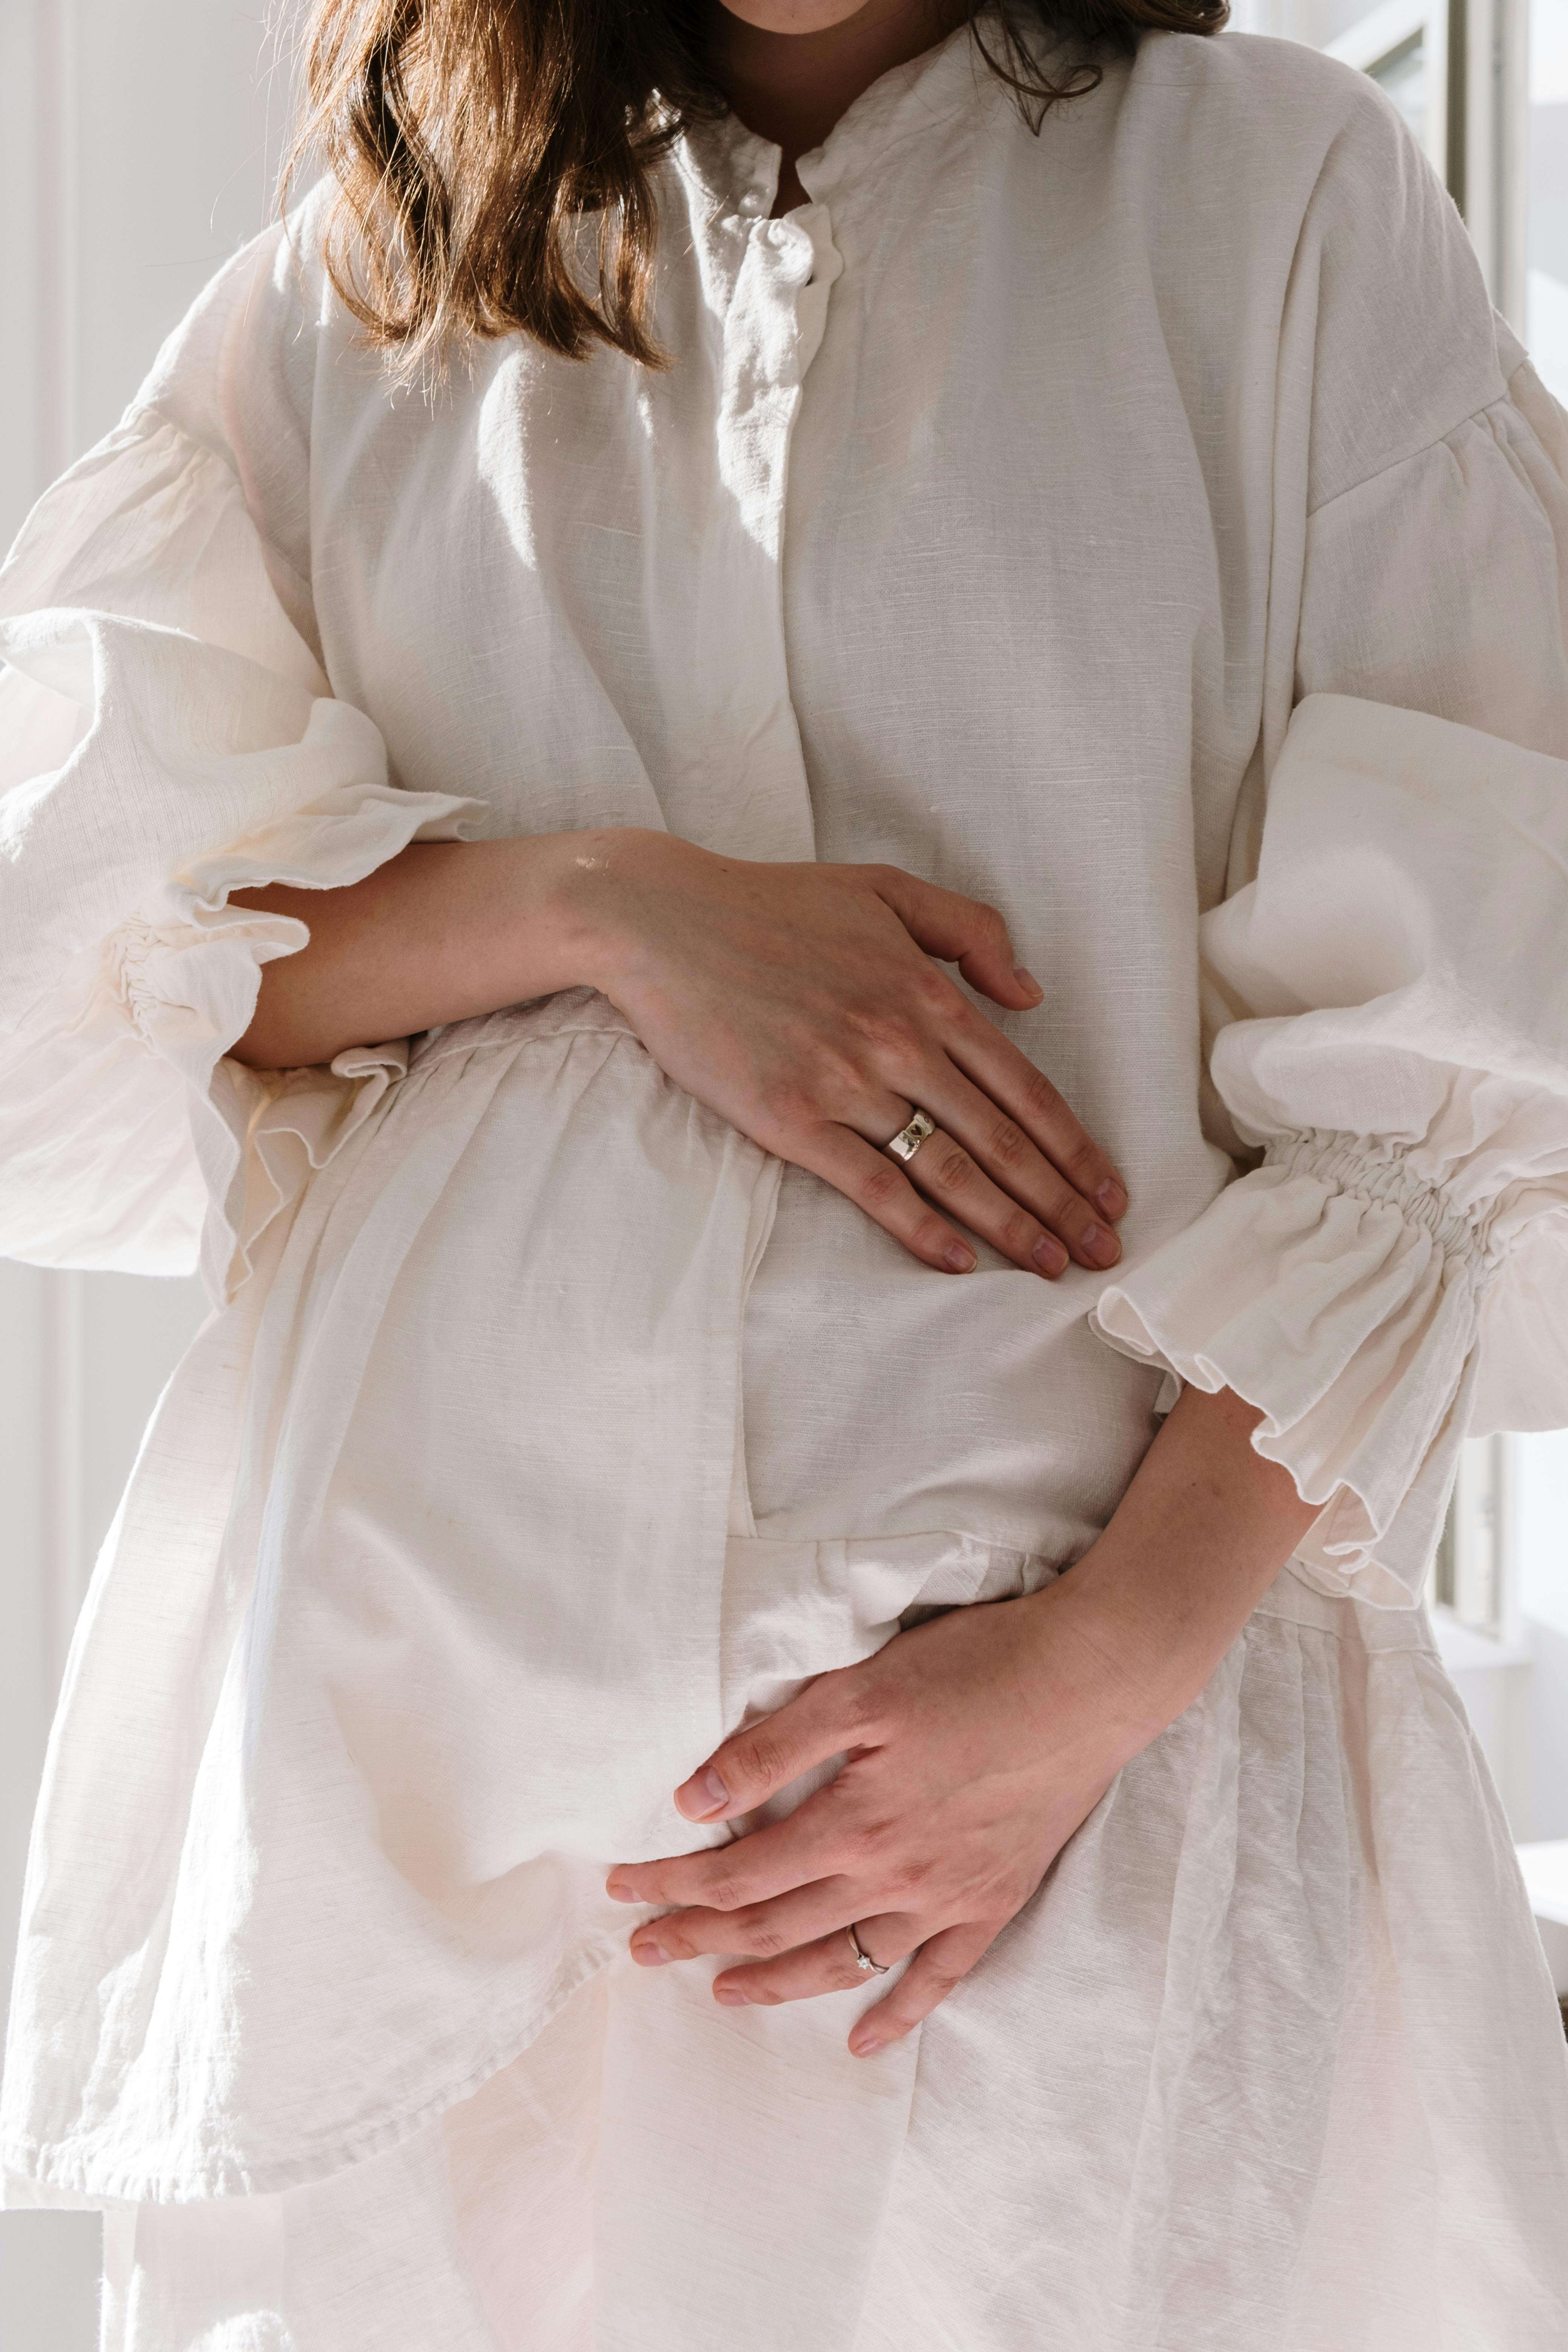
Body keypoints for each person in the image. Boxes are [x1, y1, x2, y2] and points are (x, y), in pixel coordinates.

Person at [2, 0, 1567, 2340]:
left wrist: (1100, 1675)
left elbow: (1482, 1057)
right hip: (418, 1816)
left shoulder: (1275, 201)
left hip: (1055, 1818)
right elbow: (81, 975)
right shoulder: (376, 272)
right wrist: (599, 911)